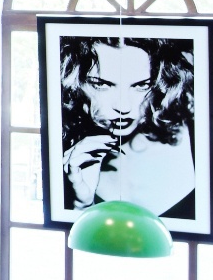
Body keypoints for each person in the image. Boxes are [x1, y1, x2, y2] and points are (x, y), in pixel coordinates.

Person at [59, 36, 196, 218]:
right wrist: (81, 205)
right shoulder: (60, 148)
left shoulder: (196, 131)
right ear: (73, 80)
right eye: (101, 84)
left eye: (142, 85)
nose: (124, 107)